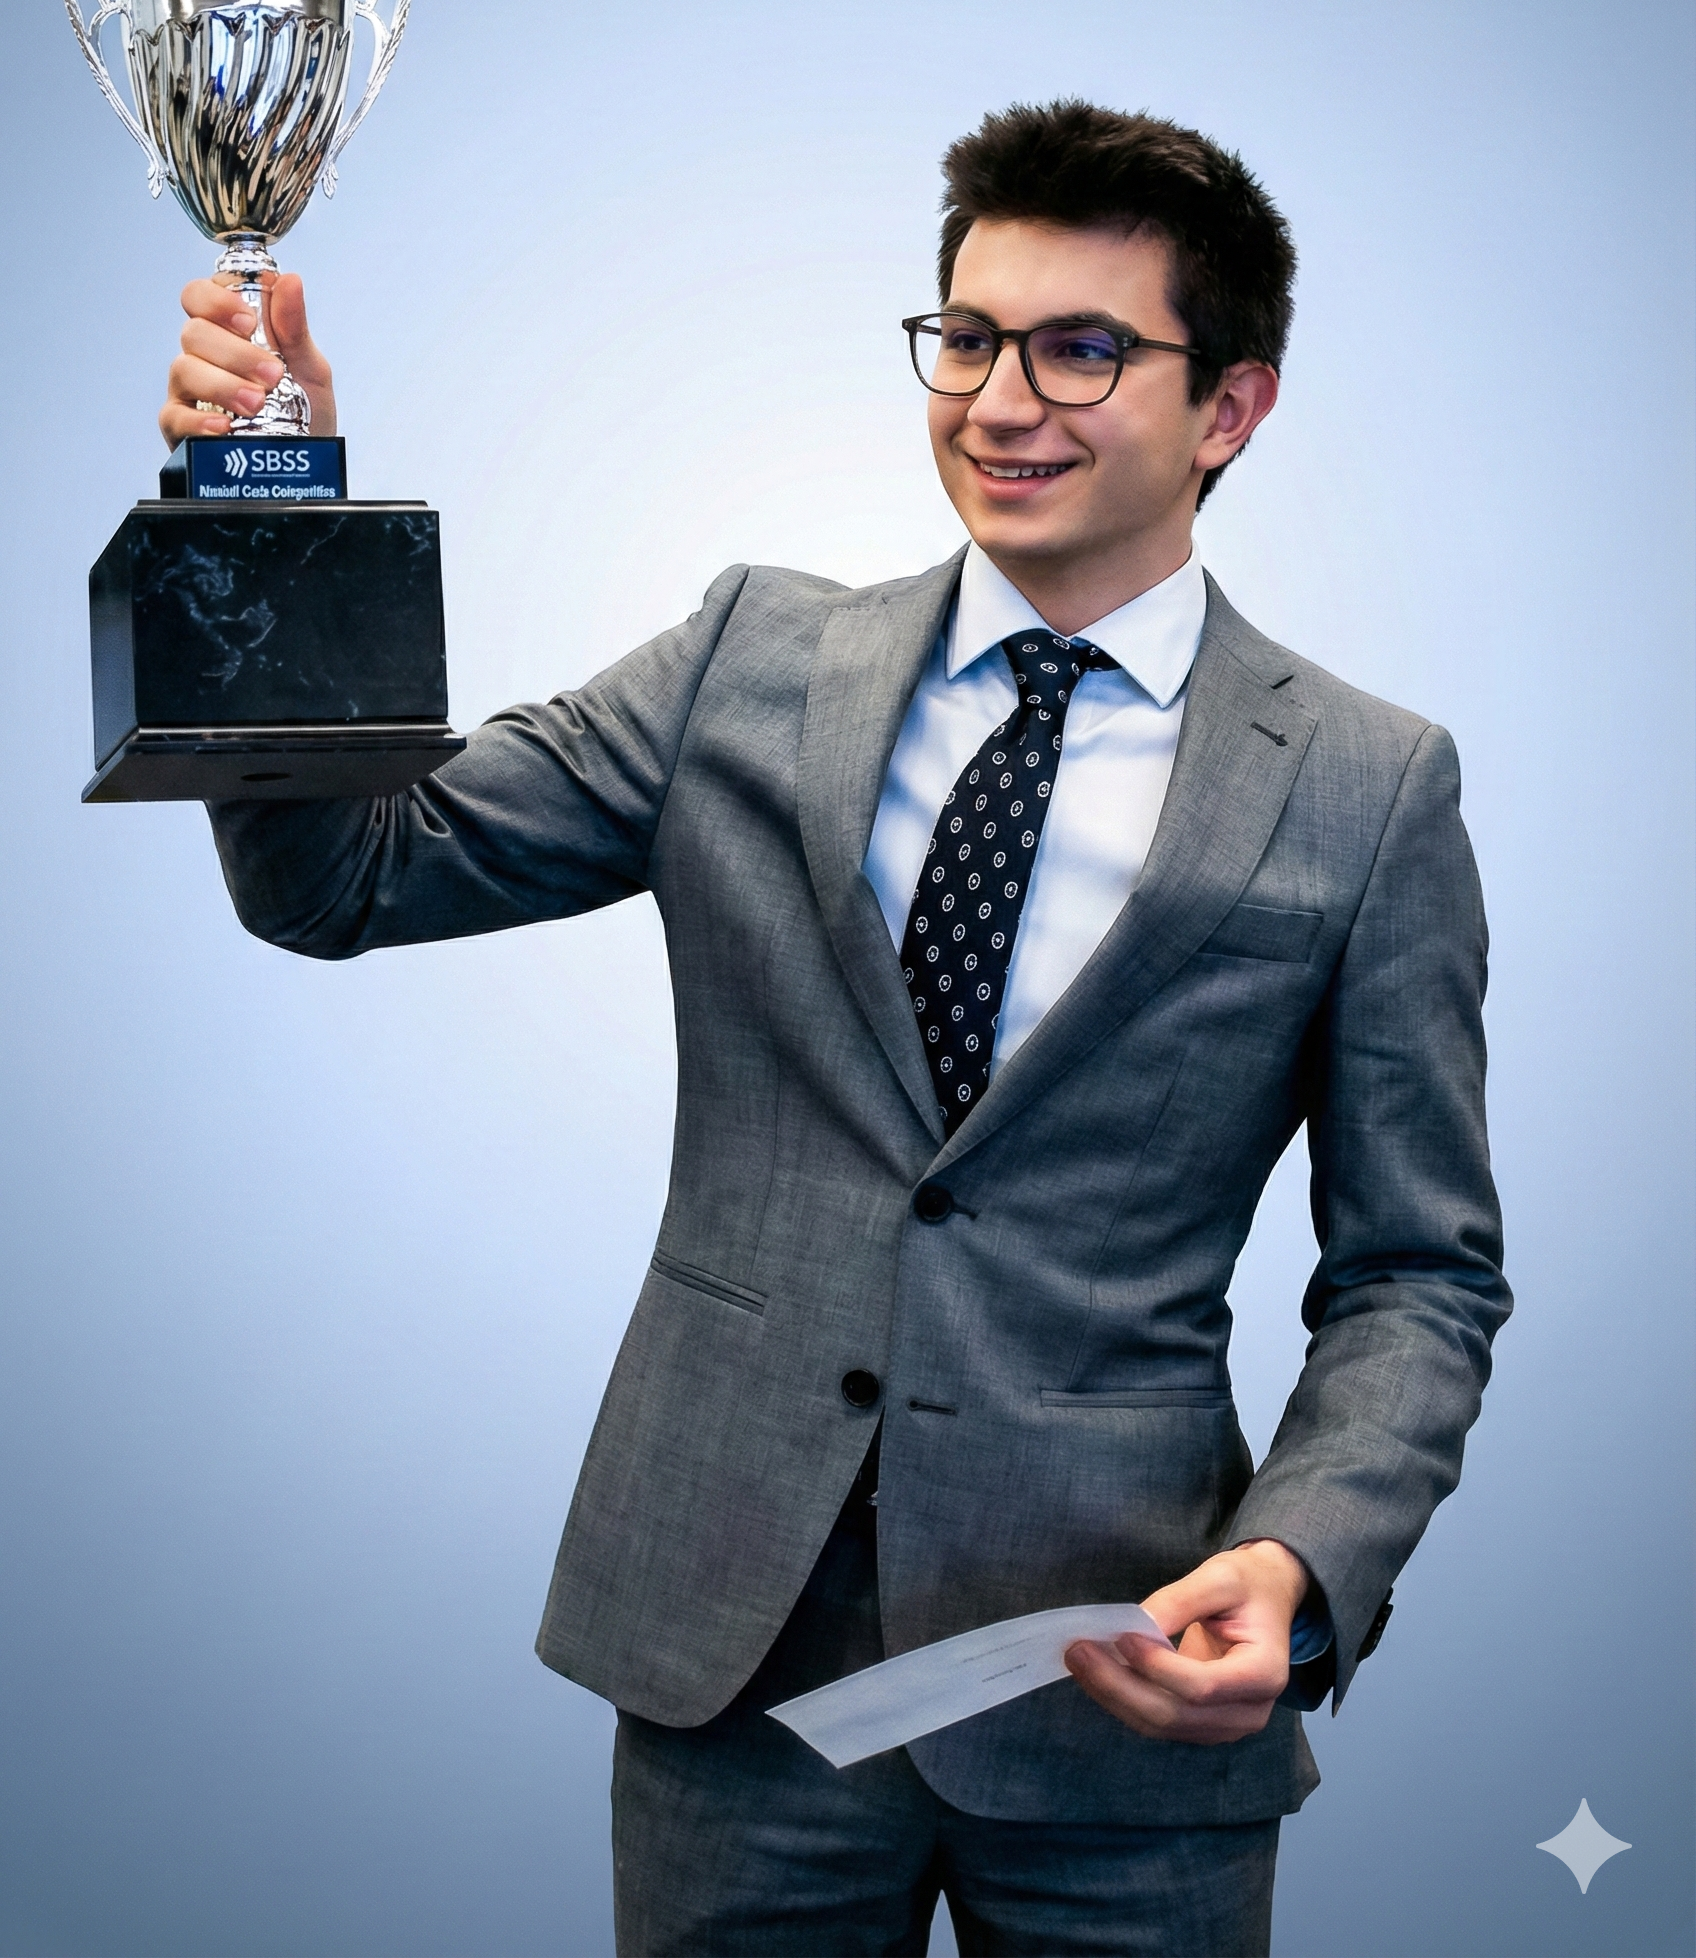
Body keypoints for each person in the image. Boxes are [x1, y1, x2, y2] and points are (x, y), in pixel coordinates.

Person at [164, 102, 1509, 1958]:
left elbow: (1419, 1273)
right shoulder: (748, 659)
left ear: (1233, 408)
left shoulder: (1366, 787)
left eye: (1083, 349)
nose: (999, 400)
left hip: (1123, 1678)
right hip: (735, 1659)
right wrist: (278, 512)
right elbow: (343, 880)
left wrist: (1304, 1560)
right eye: (967, 338)